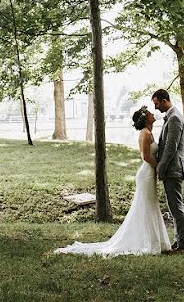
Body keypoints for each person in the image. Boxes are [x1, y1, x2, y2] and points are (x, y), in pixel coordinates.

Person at [54, 105, 170, 256]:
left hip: (150, 174)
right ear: (144, 118)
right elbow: (146, 157)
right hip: (146, 174)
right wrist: (160, 169)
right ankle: (148, 241)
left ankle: (155, 240)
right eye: (148, 113)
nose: (152, 113)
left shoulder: (149, 132)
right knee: (146, 205)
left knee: (151, 205)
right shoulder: (145, 133)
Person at [151, 88, 184, 254]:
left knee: (176, 207)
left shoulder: (174, 118)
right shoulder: (171, 117)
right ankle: (178, 241)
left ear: (164, 100)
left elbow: (171, 147)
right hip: (172, 169)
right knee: (174, 206)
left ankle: (183, 245)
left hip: (174, 169)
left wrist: (161, 167)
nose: (156, 108)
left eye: (157, 103)